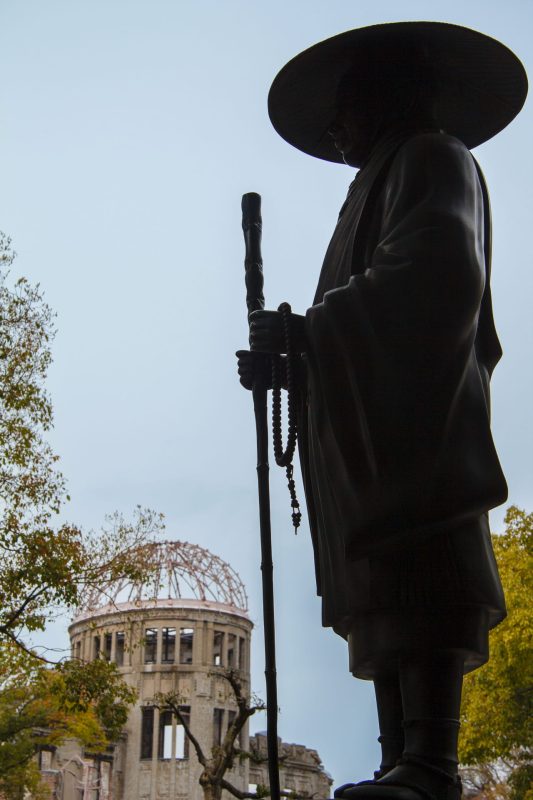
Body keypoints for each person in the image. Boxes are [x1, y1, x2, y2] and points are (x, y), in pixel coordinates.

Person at [237, 22, 527, 800]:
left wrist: (308, 331)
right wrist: (290, 358)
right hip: (367, 432)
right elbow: (353, 308)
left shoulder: (434, 158)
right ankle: (399, 758)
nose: (334, 130)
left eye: (344, 109)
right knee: (383, 587)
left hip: (416, 430)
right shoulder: (371, 184)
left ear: (386, 96)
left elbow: (433, 274)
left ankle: (430, 763)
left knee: (419, 568)